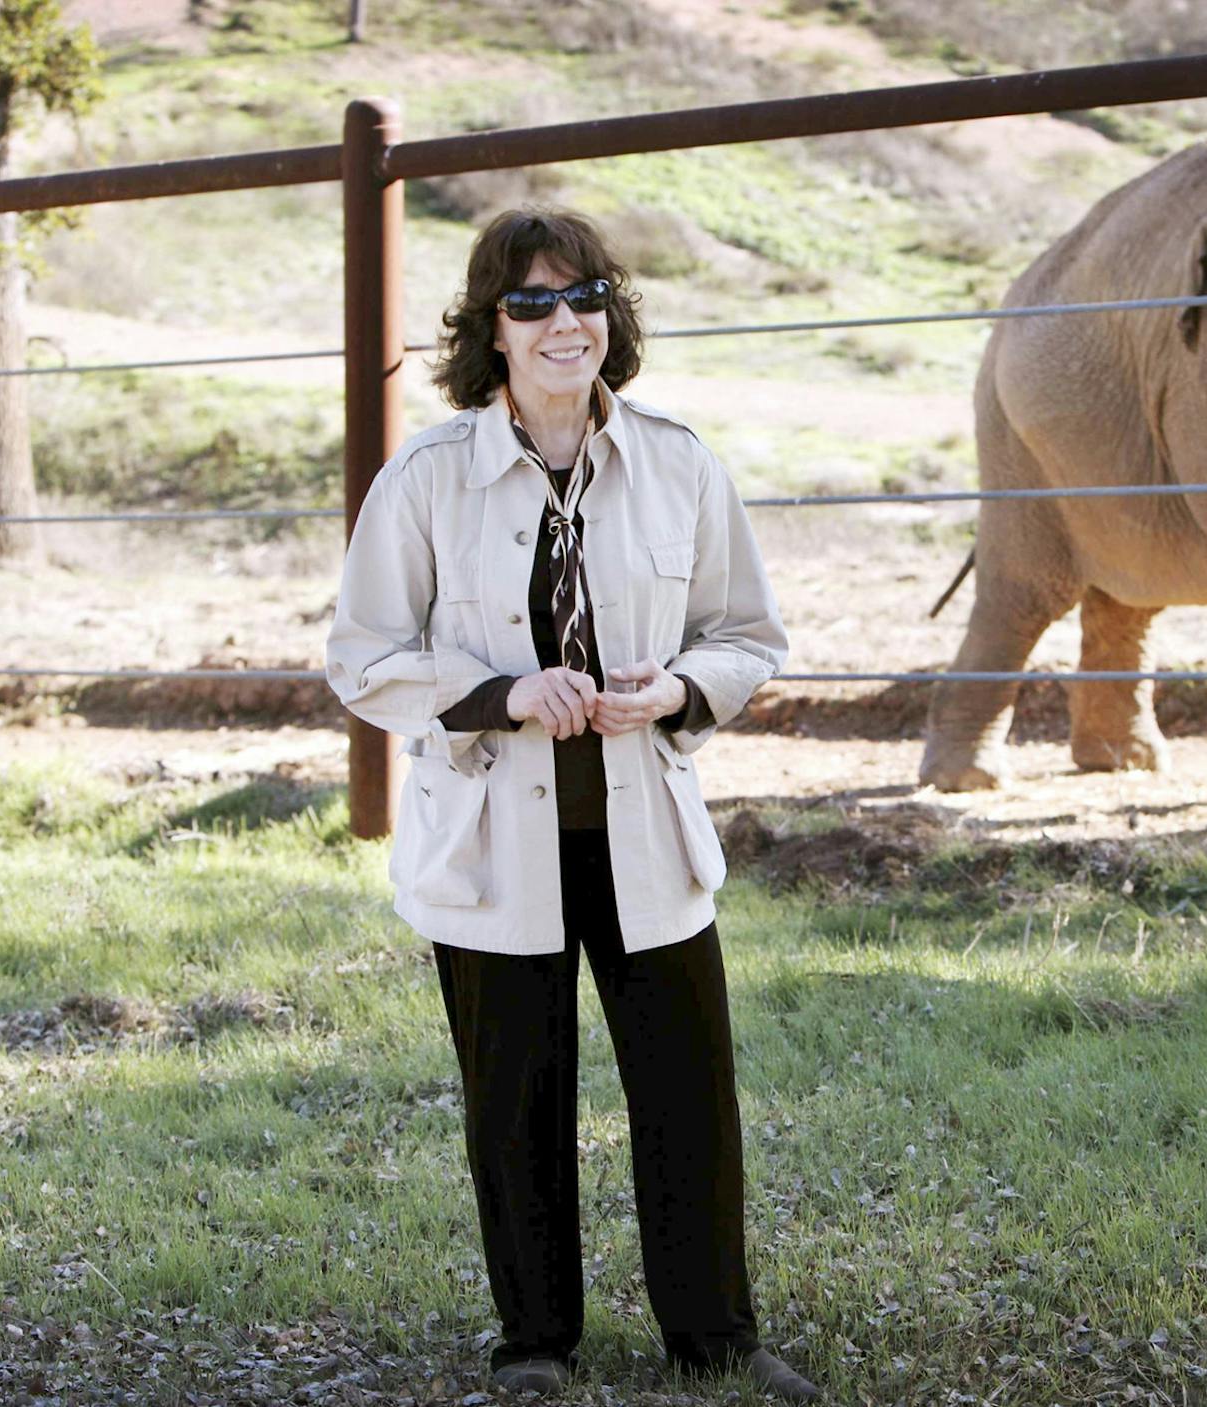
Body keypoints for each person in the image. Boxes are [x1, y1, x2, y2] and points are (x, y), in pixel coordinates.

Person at [324, 207, 817, 1401]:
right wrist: (500, 690)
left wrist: (685, 687)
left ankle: (717, 1337)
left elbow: (749, 633)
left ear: (612, 317)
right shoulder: (427, 481)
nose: (565, 323)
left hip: (647, 830)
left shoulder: (680, 464)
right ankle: (534, 1341)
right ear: (492, 331)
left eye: (585, 296)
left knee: (688, 1095)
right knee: (516, 1100)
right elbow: (363, 656)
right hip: (493, 843)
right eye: (534, 303)